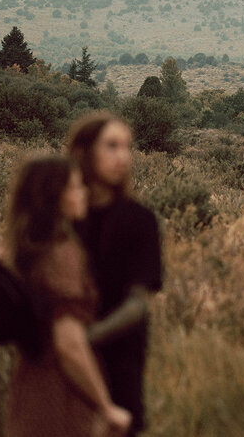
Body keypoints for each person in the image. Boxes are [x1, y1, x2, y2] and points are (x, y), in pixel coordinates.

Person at [0, 154, 131, 437]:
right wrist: (105, 406)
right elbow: (68, 344)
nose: (84, 193)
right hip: (63, 396)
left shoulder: (30, 251)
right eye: (75, 187)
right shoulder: (63, 254)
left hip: (28, 392)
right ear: (56, 196)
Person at [66, 112, 163, 437]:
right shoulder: (61, 220)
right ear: (83, 152)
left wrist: (84, 339)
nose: (123, 156)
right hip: (61, 363)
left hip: (120, 357)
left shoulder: (140, 220)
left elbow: (138, 303)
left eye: (127, 147)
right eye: (111, 146)